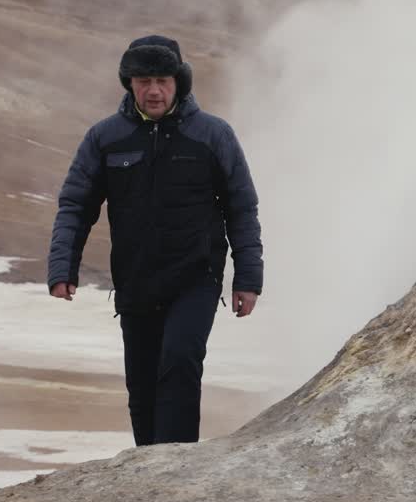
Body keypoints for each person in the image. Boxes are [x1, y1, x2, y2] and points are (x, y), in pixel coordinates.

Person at [46, 35, 263, 446]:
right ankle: (148, 464)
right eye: (143, 80)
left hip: (196, 276)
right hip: (136, 279)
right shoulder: (105, 138)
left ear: (179, 81)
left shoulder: (212, 135)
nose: (153, 90)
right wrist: (62, 267)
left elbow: (242, 208)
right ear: (128, 83)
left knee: (180, 362)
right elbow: (75, 205)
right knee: (142, 382)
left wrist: (248, 279)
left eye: (162, 79)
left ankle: (175, 466)